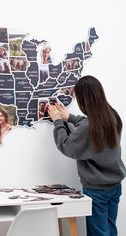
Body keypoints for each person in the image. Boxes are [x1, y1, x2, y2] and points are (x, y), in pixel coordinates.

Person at [48, 75, 126, 236]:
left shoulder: (89, 128)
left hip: (96, 189)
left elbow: (67, 146)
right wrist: (70, 117)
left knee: (99, 233)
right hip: (115, 186)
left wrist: (57, 122)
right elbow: (91, 124)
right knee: (111, 229)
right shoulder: (112, 115)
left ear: (84, 100)